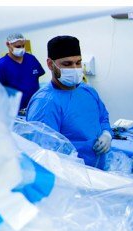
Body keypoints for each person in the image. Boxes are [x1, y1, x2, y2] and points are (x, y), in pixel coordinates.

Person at [27, 35, 112, 168]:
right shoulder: (45, 103)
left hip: (98, 170)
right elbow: (45, 155)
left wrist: (106, 134)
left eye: (78, 63)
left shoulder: (87, 91)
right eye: (67, 64)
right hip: (73, 176)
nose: (74, 68)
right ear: (50, 64)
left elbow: (103, 117)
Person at [0, 33, 46, 116]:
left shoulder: (31, 59)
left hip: (37, 107)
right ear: (8, 44)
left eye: (23, 46)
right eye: (18, 46)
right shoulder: (0, 65)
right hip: (17, 112)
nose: (22, 49)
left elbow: (36, 80)